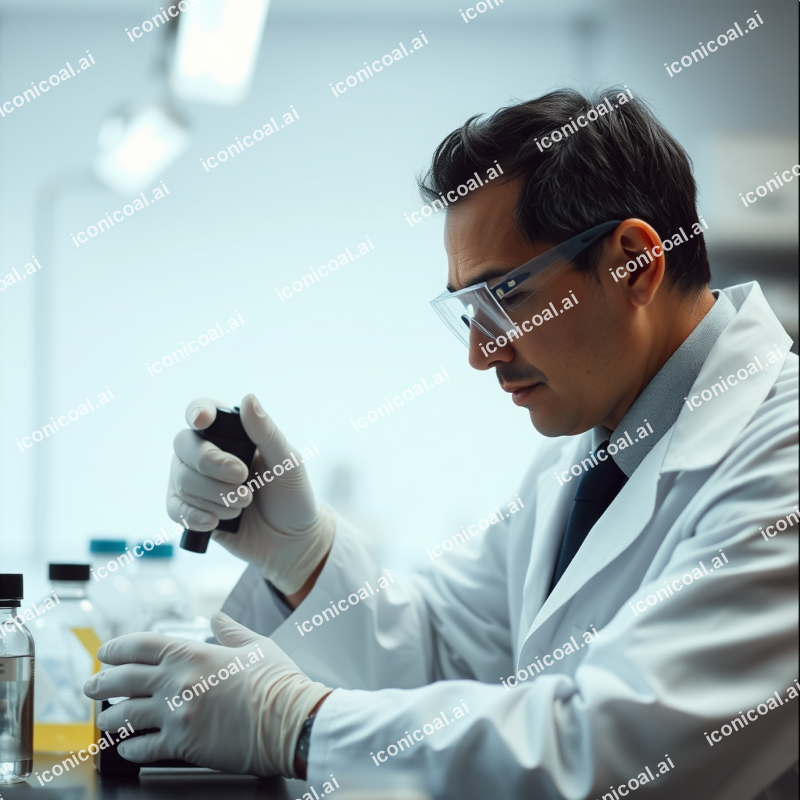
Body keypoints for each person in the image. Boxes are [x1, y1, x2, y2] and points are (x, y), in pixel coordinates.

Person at [85, 88, 798, 799]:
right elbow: (443, 656)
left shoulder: (781, 454)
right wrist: (303, 554)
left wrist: (300, 727)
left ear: (635, 264)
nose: (482, 354)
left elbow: (623, 750)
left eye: (507, 296)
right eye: (467, 312)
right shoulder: (587, 455)